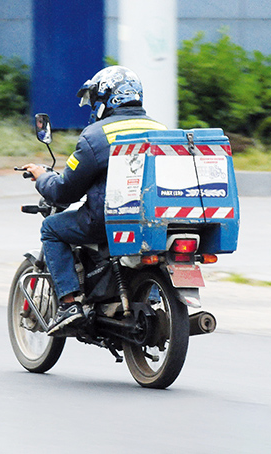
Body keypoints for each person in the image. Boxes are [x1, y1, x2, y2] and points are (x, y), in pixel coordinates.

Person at [22, 66, 166, 336]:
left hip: (106, 220)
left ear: (107, 98)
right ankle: (153, 295)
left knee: (51, 228)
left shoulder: (96, 136)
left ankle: (69, 305)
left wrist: (43, 178)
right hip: (155, 218)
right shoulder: (161, 129)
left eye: (96, 99)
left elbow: (66, 191)